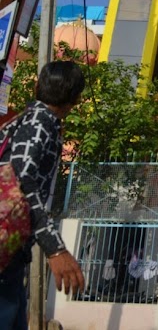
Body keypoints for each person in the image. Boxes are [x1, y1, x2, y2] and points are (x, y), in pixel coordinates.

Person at [0, 61, 86, 330]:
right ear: (76, 100)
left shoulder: (27, 120)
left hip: (11, 251)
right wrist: (54, 247)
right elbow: (23, 180)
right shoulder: (39, 123)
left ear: (37, 86)